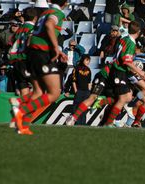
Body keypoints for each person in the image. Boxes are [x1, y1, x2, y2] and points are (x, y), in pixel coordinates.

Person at [13, 0, 69, 135]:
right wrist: (56, 48)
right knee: (55, 93)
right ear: (65, 3)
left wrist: (56, 49)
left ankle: (23, 126)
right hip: (41, 54)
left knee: (38, 92)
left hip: (32, 53)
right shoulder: (57, 13)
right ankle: (22, 111)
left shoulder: (45, 12)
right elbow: (50, 25)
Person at [104, 20, 145, 127]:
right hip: (119, 70)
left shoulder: (124, 38)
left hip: (119, 70)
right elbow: (126, 61)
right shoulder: (131, 43)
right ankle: (108, 122)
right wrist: (139, 71)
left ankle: (126, 107)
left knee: (127, 97)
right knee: (123, 99)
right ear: (139, 32)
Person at [70, 54, 92, 125]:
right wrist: (76, 90)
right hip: (79, 91)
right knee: (76, 108)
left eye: (89, 60)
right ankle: (76, 123)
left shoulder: (88, 70)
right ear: (83, 60)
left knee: (84, 108)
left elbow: (89, 82)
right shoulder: (76, 69)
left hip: (86, 92)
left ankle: (83, 123)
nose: (88, 62)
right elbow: (73, 81)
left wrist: (89, 91)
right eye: (87, 60)